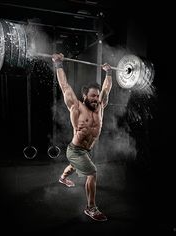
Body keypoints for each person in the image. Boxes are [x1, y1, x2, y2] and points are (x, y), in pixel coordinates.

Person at [52, 53, 112, 221]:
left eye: (97, 96)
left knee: (73, 167)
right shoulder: (76, 106)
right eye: (93, 96)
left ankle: (63, 178)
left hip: (85, 150)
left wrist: (109, 72)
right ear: (85, 96)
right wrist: (58, 64)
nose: (96, 99)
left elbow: (107, 89)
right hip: (75, 150)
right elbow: (64, 86)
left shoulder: (100, 107)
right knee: (92, 172)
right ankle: (91, 208)